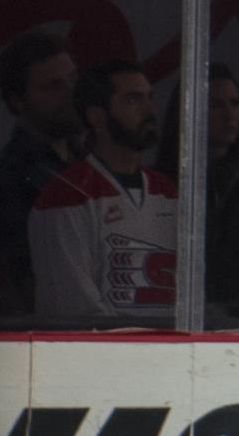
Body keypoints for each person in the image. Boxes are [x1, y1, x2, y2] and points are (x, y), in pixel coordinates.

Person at [27, 58, 177, 326]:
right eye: (133, 100)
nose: (149, 110)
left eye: (149, 98)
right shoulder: (66, 196)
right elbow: (72, 310)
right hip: (101, 360)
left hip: (170, 356)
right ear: (97, 116)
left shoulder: (168, 192)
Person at [0, 25, 81, 273]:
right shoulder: (7, 180)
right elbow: (23, 272)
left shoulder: (89, 160)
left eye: (73, 79)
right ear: (19, 100)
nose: (71, 93)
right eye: (54, 86)